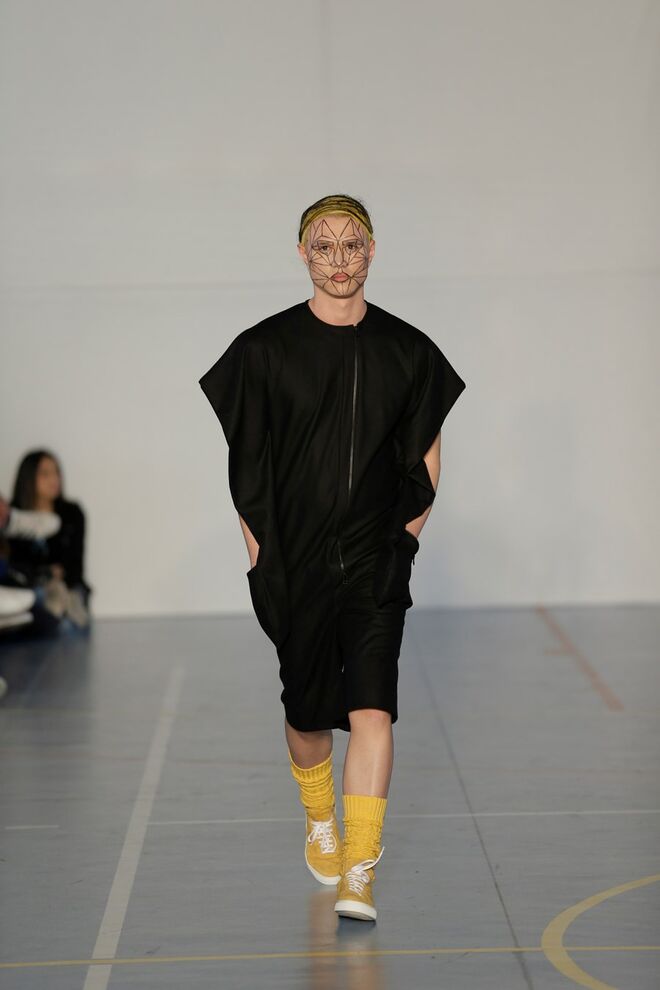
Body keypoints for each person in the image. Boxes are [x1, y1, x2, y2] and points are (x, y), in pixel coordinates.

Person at [198, 193, 466, 922]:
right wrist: (261, 558)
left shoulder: (408, 352)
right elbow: (248, 466)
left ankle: (359, 869)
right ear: (303, 254)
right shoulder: (264, 350)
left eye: (353, 245)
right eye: (325, 246)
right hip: (295, 560)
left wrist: (405, 541)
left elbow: (427, 456)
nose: (340, 260)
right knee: (307, 713)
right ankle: (320, 817)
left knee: (373, 706)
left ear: (372, 250)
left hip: (377, 557)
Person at [5, 450, 92, 631]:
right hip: (30, 587)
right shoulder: (13, 517)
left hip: (67, 586)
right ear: (28, 478)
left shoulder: (71, 513)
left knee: (66, 625)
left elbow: (75, 566)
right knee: (32, 598)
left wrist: (57, 575)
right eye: (45, 474)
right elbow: (14, 564)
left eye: (56, 472)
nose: (54, 479)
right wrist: (45, 572)